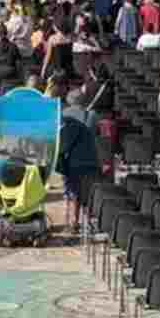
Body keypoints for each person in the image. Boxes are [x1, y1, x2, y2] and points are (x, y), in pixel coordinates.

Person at [59, 88, 99, 231]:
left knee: (72, 192)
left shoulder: (64, 114)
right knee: (87, 192)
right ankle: (87, 220)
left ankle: (73, 221)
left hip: (71, 159)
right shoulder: (92, 115)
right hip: (90, 158)